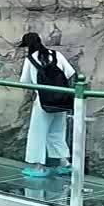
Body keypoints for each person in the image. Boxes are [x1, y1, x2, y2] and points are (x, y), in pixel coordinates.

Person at [19, 32, 76, 178]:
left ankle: (39, 167)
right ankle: (65, 164)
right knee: (57, 132)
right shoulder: (56, 54)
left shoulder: (30, 60)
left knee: (38, 133)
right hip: (61, 99)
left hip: (43, 101)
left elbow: (24, 82)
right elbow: (70, 73)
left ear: (27, 46)